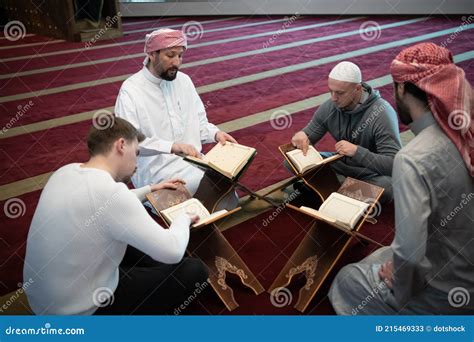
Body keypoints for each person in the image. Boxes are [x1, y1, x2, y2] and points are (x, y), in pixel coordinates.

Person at [328, 43, 474, 315]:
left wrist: (400, 292)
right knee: (383, 255)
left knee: (347, 279)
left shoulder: (413, 158)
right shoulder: (467, 131)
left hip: (448, 294)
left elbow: (410, 254)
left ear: (403, 89)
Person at [23, 116, 208, 315]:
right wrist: (184, 217)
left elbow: (100, 204)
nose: (136, 163)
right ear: (121, 145)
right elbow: (172, 252)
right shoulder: (111, 193)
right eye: (136, 153)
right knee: (194, 271)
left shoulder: (64, 172)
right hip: (82, 312)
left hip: (41, 300)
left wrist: (149, 190)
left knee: (124, 235)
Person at [115, 28, 238, 208]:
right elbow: (130, 143)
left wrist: (216, 134)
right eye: (170, 55)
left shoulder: (184, 81)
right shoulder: (131, 90)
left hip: (195, 163)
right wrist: (171, 147)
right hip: (156, 172)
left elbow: (200, 123)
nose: (177, 63)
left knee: (228, 189)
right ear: (151, 54)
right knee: (206, 196)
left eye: (180, 56)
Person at [291, 61, 402, 202]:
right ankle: (342, 192)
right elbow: (309, 135)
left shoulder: (382, 113)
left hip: (371, 173)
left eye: (340, 93)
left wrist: (357, 152)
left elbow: (394, 165)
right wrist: (301, 136)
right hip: (341, 165)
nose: (333, 98)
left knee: (390, 187)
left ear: (357, 89)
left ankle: (324, 188)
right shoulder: (330, 106)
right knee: (292, 161)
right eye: (330, 91)